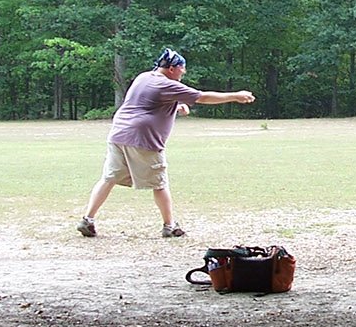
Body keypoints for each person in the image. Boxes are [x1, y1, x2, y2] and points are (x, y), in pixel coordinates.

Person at [78, 48, 255, 238]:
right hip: (142, 138)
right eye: (182, 69)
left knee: (109, 178)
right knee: (160, 183)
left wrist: (177, 105)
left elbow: (146, 101)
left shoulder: (144, 77)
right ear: (171, 68)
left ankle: (87, 220)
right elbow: (202, 97)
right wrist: (236, 95)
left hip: (119, 134)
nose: (183, 72)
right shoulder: (166, 84)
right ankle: (169, 226)